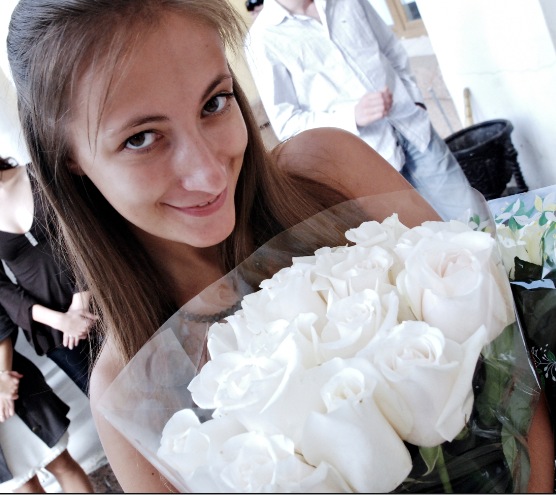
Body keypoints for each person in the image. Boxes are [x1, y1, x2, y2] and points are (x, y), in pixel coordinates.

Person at [5, 0, 553, 492]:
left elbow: (509, 367)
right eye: (141, 138)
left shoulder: (333, 170)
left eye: (214, 103)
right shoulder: (127, 394)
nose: (207, 172)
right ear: (68, 158)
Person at [244, 0, 473, 221]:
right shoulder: (262, 38)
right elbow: (287, 124)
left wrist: (414, 99)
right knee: (423, 237)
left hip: (413, 128)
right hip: (366, 160)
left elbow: (390, 48)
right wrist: (352, 117)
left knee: (473, 218)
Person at [0, 156, 98, 396]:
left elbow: (88, 226)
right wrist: (61, 321)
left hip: (101, 293)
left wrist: (80, 301)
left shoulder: (40, 172)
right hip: (55, 330)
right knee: (112, 406)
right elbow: (2, 290)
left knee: (165, 377)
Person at [0, 303, 94, 493]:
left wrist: (3, 377)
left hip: (13, 384)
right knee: (23, 486)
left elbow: (1, 327)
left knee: (60, 462)